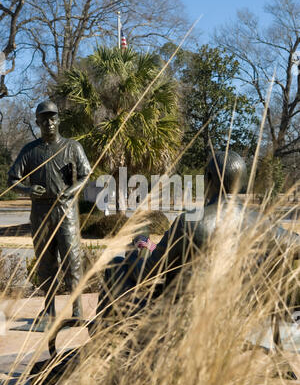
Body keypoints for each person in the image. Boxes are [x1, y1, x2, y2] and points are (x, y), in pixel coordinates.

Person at [95, 151, 300, 323]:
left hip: (184, 319)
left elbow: (147, 274)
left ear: (208, 179)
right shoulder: (264, 224)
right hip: (241, 316)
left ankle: (102, 353)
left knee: (116, 266)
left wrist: (138, 248)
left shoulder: (190, 222)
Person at [8, 100, 91, 328]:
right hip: (41, 212)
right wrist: (27, 190)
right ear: (37, 123)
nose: (49, 122)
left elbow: (86, 174)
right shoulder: (30, 151)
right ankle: (49, 310)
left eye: (53, 118)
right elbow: (12, 179)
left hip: (67, 213)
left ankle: (77, 311)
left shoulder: (72, 147)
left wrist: (71, 191)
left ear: (59, 120)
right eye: (44, 119)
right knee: (45, 262)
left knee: (72, 260)